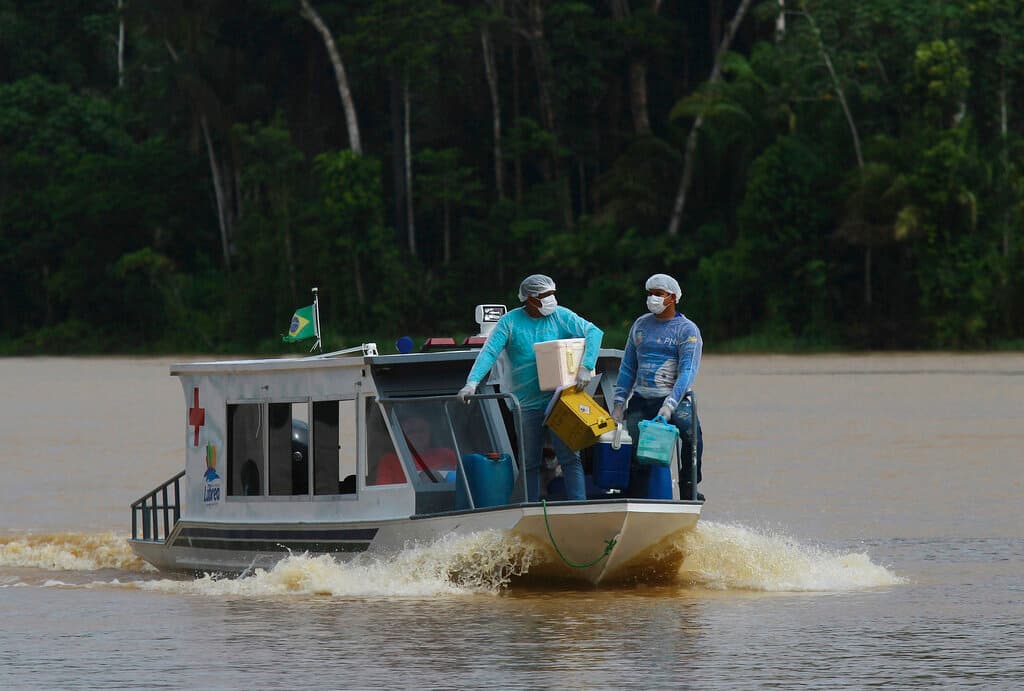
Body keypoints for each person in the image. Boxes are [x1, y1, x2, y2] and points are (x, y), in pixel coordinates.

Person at [457, 274, 603, 502]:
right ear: (531, 299)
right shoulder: (510, 322)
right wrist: (472, 383)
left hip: (561, 399)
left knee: (570, 457)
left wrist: (587, 365)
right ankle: (531, 507)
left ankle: (578, 506)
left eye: (553, 293)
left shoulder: (560, 316)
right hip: (525, 402)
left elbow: (594, 332)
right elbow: (490, 352)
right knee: (529, 461)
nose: (551, 299)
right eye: (546, 295)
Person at [611, 273, 704, 500]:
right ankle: (636, 497)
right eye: (650, 293)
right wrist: (619, 403)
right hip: (642, 399)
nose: (653, 298)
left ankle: (689, 488)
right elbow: (628, 367)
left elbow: (687, 371)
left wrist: (669, 405)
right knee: (635, 450)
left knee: (692, 436)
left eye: (658, 294)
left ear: (672, 297)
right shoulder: (640, 325)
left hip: (674, 400)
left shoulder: (687, 330)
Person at [375, 415, 458, 485]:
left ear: (430, 432)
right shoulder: (389, 461)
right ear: (401, 435)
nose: (417, 435)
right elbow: (384, 494)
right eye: (411, 432)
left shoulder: (446, 455)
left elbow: (461, 487)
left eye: (421, 431)